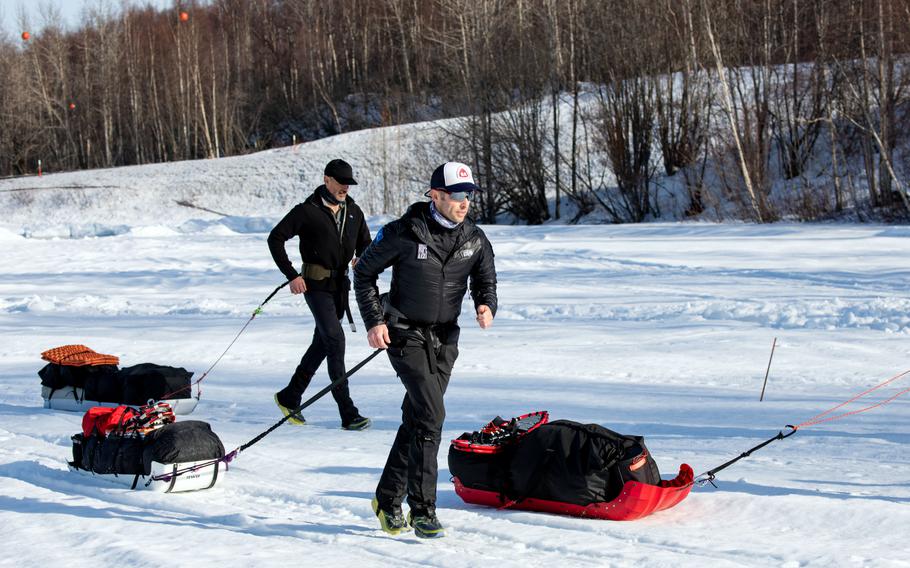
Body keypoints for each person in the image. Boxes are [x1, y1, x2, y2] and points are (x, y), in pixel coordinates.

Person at [353, 161, 498, 538]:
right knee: (432, 415)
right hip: (404, 333)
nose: (464, 203)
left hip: (445, 339)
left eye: (469, 195)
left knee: (418, 418)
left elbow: (485, 278)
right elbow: (364, 273)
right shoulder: (404, 233)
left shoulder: (475, 238)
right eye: (456, 196)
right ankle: (422, 509)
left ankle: (386, 499)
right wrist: (374, 320)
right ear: (435, 195)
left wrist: (486, 304)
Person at [267, 158, 372, 431]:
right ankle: (348, 413)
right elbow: (275, 238)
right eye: (340, 182)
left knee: (322, 344)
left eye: (348, 184)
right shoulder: (307, 210)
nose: (345, 188)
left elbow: (366, 245)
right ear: (327, 179)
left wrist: (361, 258)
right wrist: (292, 275)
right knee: (335, 341)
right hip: (315, 287)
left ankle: (290, 396)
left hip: (340, 288)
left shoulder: (354, 211)